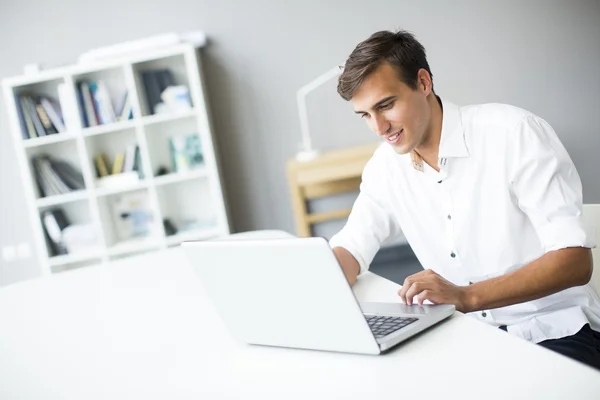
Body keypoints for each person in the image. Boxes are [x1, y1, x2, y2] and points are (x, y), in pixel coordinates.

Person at [329, 29, 600, 370]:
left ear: (423, 83)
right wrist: (311, 281)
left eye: (386, 105)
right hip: (468, 338)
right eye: (365, 115)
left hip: (557, 331)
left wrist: (465, 296)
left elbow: (574, 261)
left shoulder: (514, 133)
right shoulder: (385, 167)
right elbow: (352, 247)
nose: (379, 127)